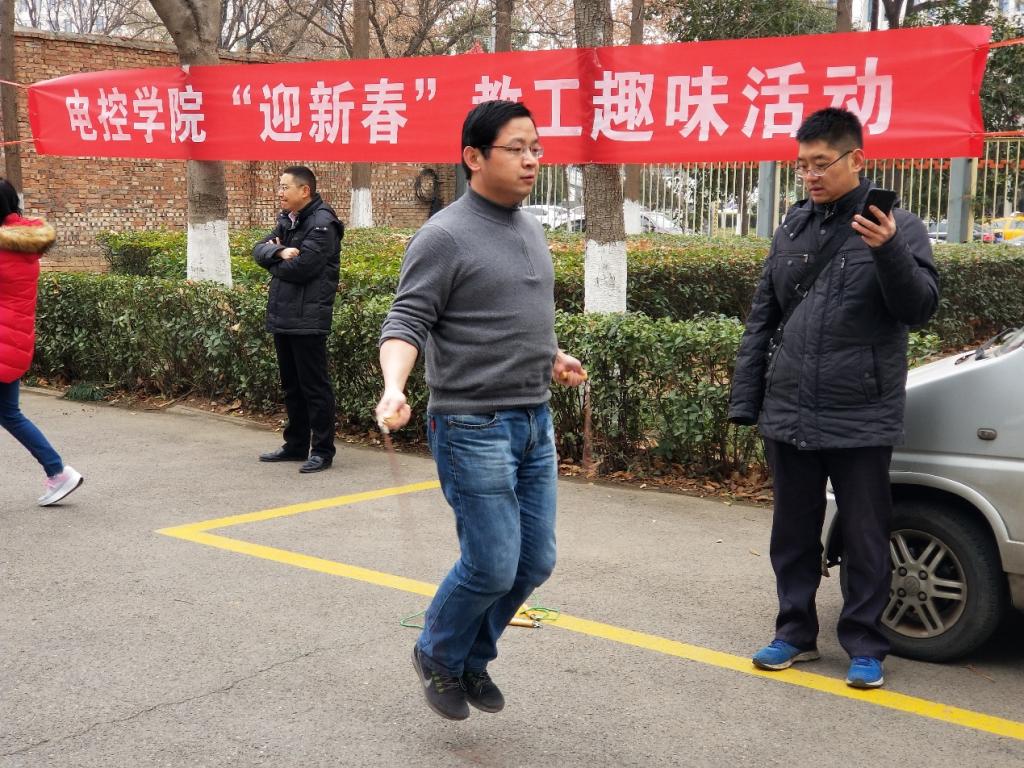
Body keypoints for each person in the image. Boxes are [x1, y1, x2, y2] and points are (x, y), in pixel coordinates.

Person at [375, 100, 586, 720]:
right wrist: (394, 387)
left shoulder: (529, 227)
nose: (531, 160)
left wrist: (551, 356)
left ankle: (471, 658)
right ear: (473, 156)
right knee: (491, 565)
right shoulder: (443, 235)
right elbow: (406, 320)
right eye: (516, 149)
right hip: (473, 424)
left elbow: (507, 315)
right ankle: (437, 652)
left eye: (536, 148)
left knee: (534, 561)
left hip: (534, 420)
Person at [728, 108, 939, 689]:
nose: (811, 176)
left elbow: (918, 308)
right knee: (793, 533)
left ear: (856, 159)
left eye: (821, 164)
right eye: (802, 166)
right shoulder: (793, 227)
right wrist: (747, 400)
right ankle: (794, 633)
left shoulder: (899, 225)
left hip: (860, 411)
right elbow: (763, 317)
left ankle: (865, 645)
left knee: (866, 536)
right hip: (789, 406)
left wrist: (889, 250)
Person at [253, 166, 343, 473]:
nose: (279, 192)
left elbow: (303, 268)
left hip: (308, 317)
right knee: (291, 385)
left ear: (304, 191)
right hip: (284, 314)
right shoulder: (288, 219)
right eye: (279, 186)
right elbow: (258, 249)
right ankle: (295, 445)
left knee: (314, 387)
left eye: (285, 187)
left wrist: (273, 259)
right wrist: (279, 253)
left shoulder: (322, 223)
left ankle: (322, 450)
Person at [0, 180, 84, 506]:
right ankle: (57, 471)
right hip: (13, 342)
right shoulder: (23, 243)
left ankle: (58, 471)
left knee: (10, 414)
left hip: (4, 341)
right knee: (10, 414)